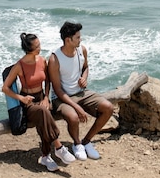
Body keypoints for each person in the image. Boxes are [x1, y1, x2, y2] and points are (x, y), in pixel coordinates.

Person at [2, 32, 76, 172]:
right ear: (29, 49)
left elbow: (47, 80)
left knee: (44, 113)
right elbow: (5, 88)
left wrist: (46, 97)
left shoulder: (42, 60)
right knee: (43, 112)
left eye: (39, 44)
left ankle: (45, 156)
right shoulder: (19, 66)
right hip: (28, 103)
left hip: (42, 98)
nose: (40, 48)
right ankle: (59, 147)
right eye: (37, 46)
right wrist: (21, 98)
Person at [48, 21, 114, 161]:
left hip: (81, 93)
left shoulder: (82, 50)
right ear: (68, 40)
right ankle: (77, 144)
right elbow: (57, 90)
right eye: (77, 37)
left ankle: (86, 141)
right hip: (61, 98)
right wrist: (77, 107)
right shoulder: (55, 59)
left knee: (108, 107)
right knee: (73, 117)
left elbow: (86, 67)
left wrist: (84, 77)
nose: (80, 39)